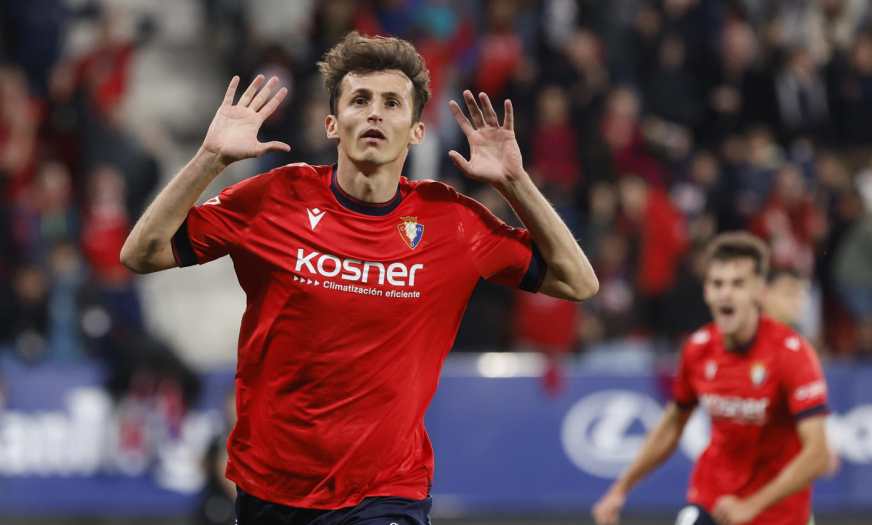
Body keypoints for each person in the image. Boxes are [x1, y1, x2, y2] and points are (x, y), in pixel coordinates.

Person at [121, 32, 596, 524]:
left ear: (415, 131)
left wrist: (515, 183)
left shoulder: (452, 222)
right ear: (332, 123)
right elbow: (142, 253)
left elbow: (578, 283)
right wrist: (210, 159)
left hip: (387, 493)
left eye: (392, 103)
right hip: (271, 489)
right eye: (360, 100)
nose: (374, 113)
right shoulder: (276, 198)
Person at [592, 233, 832, 525]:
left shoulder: (792, 354)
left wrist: (751, 505)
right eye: (718, 283)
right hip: (712, 501)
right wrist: (621, 488)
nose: (726, 294)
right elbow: (672, 424)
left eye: (738, 284)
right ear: (706, 291)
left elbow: (820, 454)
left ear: (760, 292)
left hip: (778, 514)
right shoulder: (698, 348)